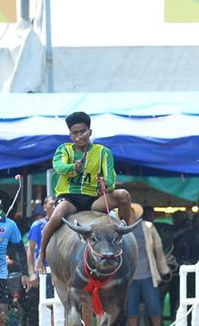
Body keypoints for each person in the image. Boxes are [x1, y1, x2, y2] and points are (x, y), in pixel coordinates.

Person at [35, 111, 133, 274]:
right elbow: (59, 167)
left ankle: (124, 233)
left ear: (90, 132)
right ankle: (41, 256)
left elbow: (111, 179)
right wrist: (73, 167)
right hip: (70, 199)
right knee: (56, 217)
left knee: (123, 195)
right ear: (70, 135)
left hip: (94, 198)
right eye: (75, 133)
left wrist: (105, 184)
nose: (79, 136)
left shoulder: (103, 152)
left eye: (82, 131)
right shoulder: (64, 150)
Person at [125, 203, 170, 326]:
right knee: (131, 309)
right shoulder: (121, 227)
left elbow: (158, 248)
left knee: (154, 306)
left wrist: (164, 271)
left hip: (148, 275)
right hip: (129, 277)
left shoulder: (148, 226)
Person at [0, 198, 30, 326]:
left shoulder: (10, 225)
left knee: (2, 312)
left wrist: (25, 273)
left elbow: (20, 249)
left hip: (2, 275)